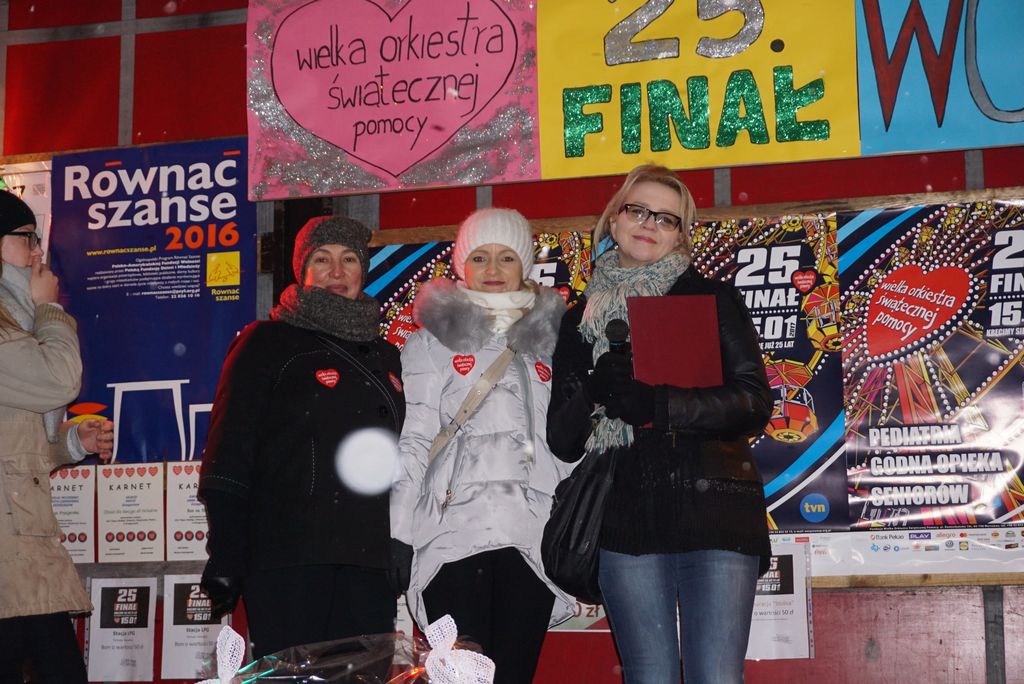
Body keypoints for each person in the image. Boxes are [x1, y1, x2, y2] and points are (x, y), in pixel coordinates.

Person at [546, 165, 773, 684]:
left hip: (716, 511)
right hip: (626, 518)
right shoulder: (578, 319)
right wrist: (594, 392)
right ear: (614, 219)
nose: (649, 224)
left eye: (666, 219)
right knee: (649, 677)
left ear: (680, 235)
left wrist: (659, 405)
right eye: (638, 210)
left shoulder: (710, 299)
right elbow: (562, 440)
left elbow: (753, 402)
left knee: (716, 677)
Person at [198, 216, 406, 658]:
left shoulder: (386, 354)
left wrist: (399, 545)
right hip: (289, 557)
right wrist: (227, 553)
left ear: (363, 270)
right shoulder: (267, 341)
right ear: (302, 270)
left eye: (349, 259)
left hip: (367, 560)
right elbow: (228, 453)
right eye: (322, 259)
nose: (337, 271)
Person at [391, 208, 575, 683]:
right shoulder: (429, 343)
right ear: (461, 264)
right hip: (452, 536)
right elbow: (415, 440)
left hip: (530, 538)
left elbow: (565, 447)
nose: (493, 269)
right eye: (480, 256)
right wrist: (398, 535)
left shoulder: (557, 342)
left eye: (506, 257)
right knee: (461, 678)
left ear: (525, 264)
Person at [0, 189, 114, 684]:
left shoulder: (14, 320)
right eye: (26, 238)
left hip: (20, 541)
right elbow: (59, 380)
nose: (37, 252)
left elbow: (16, 440)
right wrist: (49, 309)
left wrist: (71, 442)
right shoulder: (13, 324)